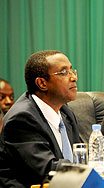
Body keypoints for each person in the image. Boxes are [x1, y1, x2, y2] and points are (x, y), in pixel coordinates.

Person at [0, 50, 81, 187]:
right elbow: (48, 171)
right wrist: (97, 167)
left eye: (72, 71)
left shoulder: (65, 112)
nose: (73, 77)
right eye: (64, 72)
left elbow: (80, 155)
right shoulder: (21, 119)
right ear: (42, 83)